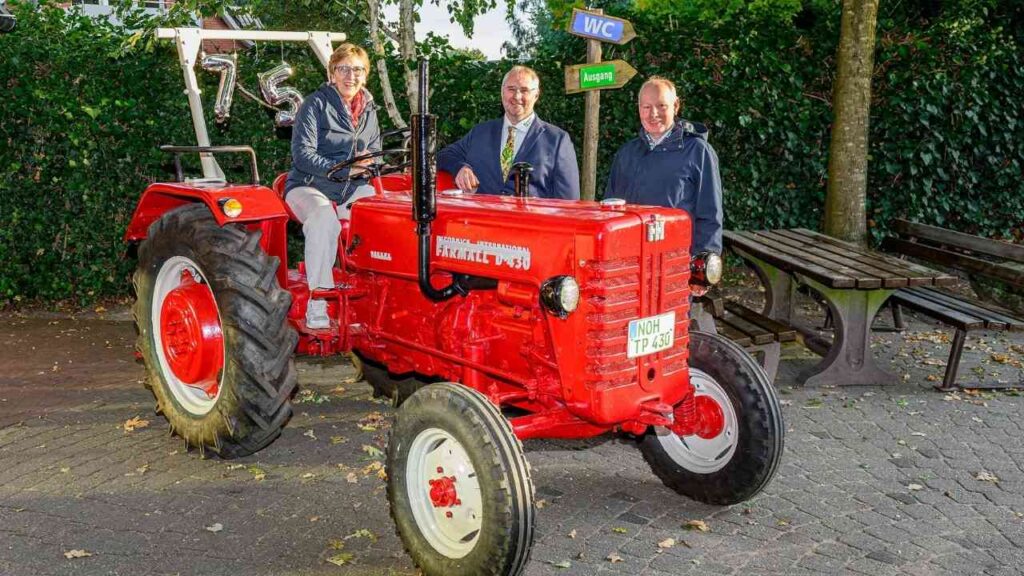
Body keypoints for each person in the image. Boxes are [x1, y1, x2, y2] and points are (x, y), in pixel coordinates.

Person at [285, 43, 381, 329]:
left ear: (365, 75)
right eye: (344, 69)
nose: (351, 75)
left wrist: (368, 161)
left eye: (358, 69)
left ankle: (369, 301)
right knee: (324, 219)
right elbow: (303, 155)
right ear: (331, 73)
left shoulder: (369, 109)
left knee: (383, 214)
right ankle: (318, 302)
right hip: (310, 184)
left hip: (352, 186)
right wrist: (343, 168)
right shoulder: (315, 104)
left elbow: (374, 147)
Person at [605, 77, 723, 256]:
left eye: (661, 106)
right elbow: (611, 210)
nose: (653, 114)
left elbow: (710, 215)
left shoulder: (698, 151)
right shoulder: (626, 153)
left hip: (677, 259)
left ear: (676, 106)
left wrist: (703, 265)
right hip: (630, 259)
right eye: (646, 107)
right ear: (639, 109)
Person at [438, 65, 580, 200]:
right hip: (483, 223)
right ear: (502, 92)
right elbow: (442, 156)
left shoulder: (557, 140)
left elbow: (568, 203)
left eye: (524, 90)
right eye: (511, 89)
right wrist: (460, 168)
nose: (517, 96)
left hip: (532, 224)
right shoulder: (480, 132)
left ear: (536, 95)